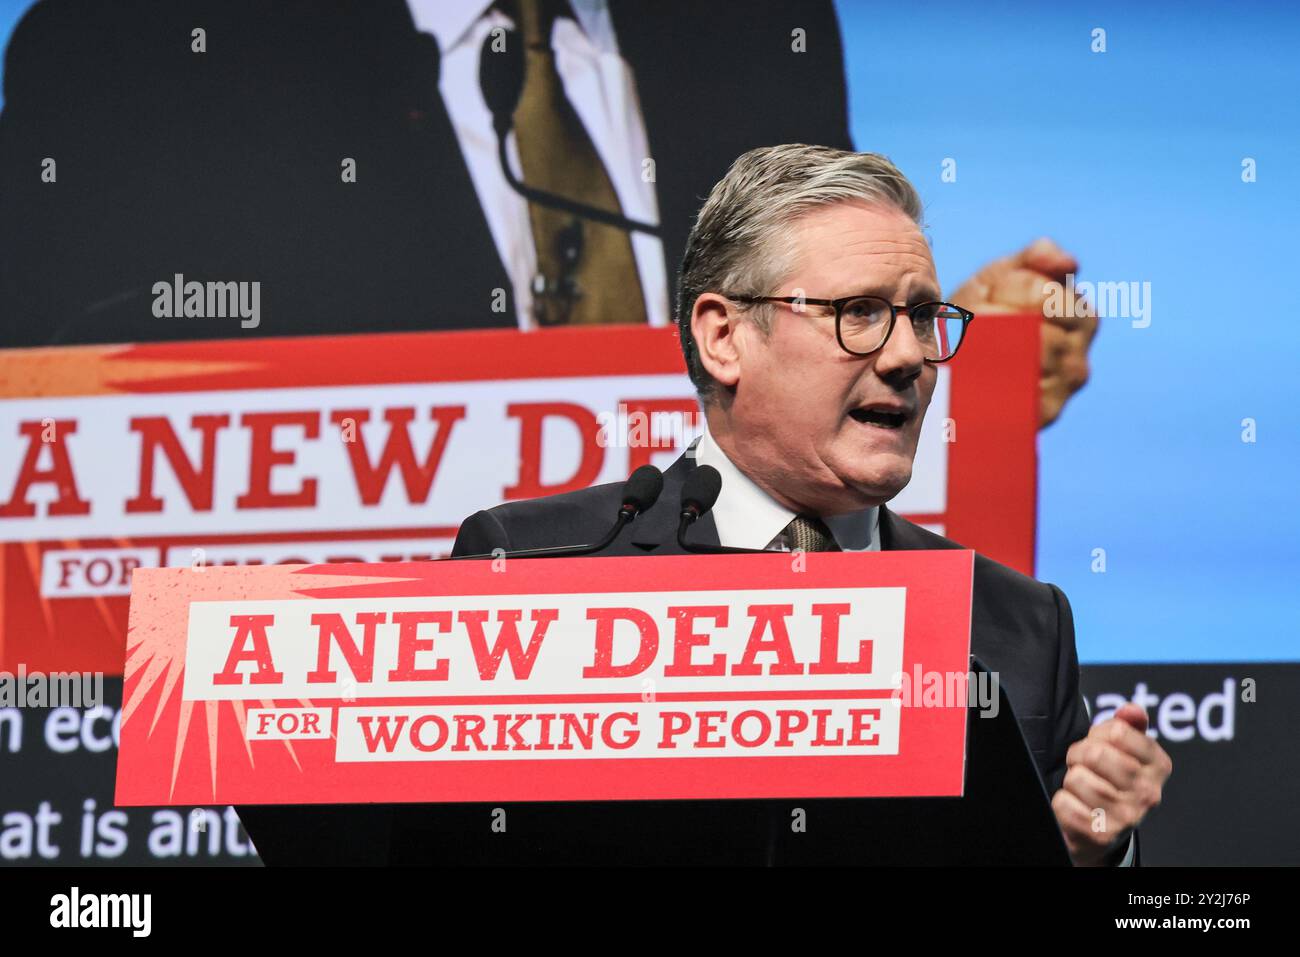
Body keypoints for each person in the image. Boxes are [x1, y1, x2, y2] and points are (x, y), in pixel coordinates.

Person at [450, 144, 1171, 865]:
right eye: (858, 311)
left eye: (922, 317)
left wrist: (1083, 854)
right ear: (724, 336)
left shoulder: (1020, 622)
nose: (909, 358)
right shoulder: (535, 572)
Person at [0, 0, 1092, 424]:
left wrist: (934, 362)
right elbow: (71, 440)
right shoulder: (136, 48)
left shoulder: (756, 27)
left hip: (711, 718)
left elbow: (777, 364)